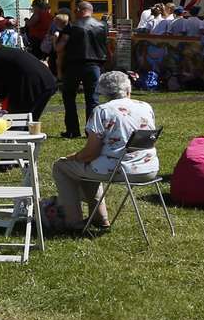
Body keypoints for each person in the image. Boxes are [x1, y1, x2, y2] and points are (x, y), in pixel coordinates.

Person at [49, 70, 158, 230]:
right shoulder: (145, 107)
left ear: (101, 92)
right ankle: (100, 218)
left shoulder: (103, 111)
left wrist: (75, 156)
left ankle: (74, 221)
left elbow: (91, 153)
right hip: (149, 168)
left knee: (61, 167)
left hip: (121, 170)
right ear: (128, 90)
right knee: (90, 167)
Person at [54, 1, 110, 140]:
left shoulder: (71, 26)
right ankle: (91, 131)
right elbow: (107, 47)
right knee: (92, 99)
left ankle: (72, 130)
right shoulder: (102, 26)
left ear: (79, 10)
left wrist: (55, 41)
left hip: (74, 64)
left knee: (69, 97)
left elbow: (60, 47)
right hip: (94, 65)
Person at [0, 37, 58, 122]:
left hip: (33, 85)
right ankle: (27, 133)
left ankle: (20, 134)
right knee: (30, 118)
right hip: (47, 81)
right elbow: (3, 86)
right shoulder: (4, 53)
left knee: (18, 118)